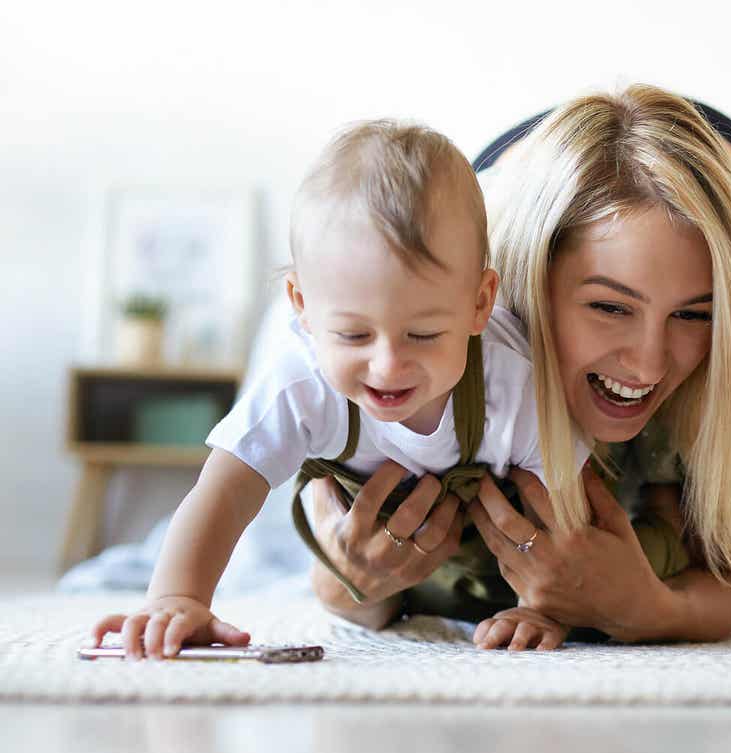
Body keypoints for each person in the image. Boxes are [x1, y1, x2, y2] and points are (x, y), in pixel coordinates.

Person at [307, 84, 731, 648]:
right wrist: (345, 583)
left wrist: (647, 607)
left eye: (692, 315)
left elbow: (729, 584)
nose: (647, 362)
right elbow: (341, 572)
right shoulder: (445, 304)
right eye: (610, 307)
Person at [89, 119, 595, 659]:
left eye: (423, 334)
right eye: (353, 334)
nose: (387, 365)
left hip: (491, 540)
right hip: (363, 538)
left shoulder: (511, 384)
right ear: (302, 306)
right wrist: (178, 596)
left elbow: (566, 511)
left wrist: (543, 607)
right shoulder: (300, 382)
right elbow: (224, 490)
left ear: (479, 302)